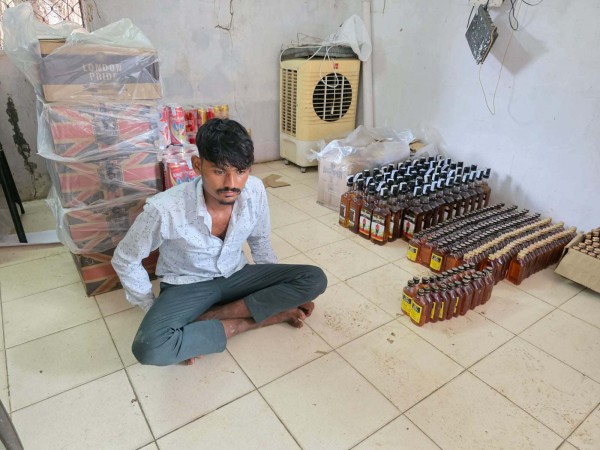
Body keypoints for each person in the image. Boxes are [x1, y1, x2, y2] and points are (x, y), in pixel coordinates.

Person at [112, 118, 327, 366]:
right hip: (188, 284)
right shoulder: (165, 209)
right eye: (219, 171)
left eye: (241, 171)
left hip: (237, 274)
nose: (231, 184)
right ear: (197, 165)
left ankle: (211, 318)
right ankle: (249, 322)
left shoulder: (255, 190)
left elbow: (259, 241)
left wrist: (275, 288)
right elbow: (126, 258)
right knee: (150, 348)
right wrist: (153, 308)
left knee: (314, 279)